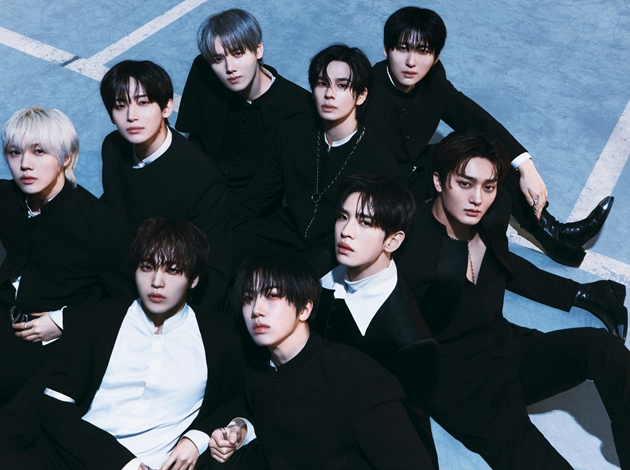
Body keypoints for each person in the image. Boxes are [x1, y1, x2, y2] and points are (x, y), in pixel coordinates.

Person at [0, 217, 246, 470]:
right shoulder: (96, 322)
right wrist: (123, 464)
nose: (157, 282)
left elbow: (244, 397)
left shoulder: (219, 337)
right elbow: (54, 408)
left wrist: (198, 438)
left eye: (173, 271)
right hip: (69, 459)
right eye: (147, 267)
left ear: (194, 279)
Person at [395, 130, 630, 469]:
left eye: (488, 186)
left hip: (509, 349)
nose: (477, 198)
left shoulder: (493, 214)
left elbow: (507, 266)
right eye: (464, 184)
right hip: (468, 394)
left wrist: (578, 293)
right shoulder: (411, 254)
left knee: (605, 349)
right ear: (438, 181)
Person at [0, 107, 135, 459]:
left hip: (35, 350)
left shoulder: (100, 227)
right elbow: (24, 237)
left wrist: (63, 320)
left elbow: (127, 303)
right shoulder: (3, 200)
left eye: (39, 151)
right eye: (14, 152)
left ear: (67, 157)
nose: (25, 164)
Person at [365, 6, 613, 267]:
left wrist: (525, 165)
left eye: (423, 51)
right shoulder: (366, 92)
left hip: (419, 171)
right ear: (386, 49)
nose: (411, 62)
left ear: (436, 57)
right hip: (381, 194)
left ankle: (555, 235)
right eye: (403, 48)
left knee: (482, 154)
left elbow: (473, 117)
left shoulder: (433, 77)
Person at [208, 254, 434, 470]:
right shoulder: (257, 373)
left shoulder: (360, 382)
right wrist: (241, 428)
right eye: (249, 298)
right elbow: (253, 409)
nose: (256, 310)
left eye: (272, 295)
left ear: (305, 309)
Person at [230, 44, 400, 276]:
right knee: (230, 249)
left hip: (331, 249)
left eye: (342, 86)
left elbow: (379, 230)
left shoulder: (378, 158)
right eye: (322, 84)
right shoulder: (293, 132)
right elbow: (255, 197)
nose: (329, 94)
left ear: (361, 95)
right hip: (284, 233)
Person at [317, 173, 440, 467]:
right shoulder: (321, 267)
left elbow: (409, 435)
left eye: (365, 222)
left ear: (393, 240)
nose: (346, 232)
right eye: (343, 217)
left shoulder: (410, 341)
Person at [99, 59, 231, 309]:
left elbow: (214, 268)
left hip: (168, 293)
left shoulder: (201, 177)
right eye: (120, 105)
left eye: (143, 102)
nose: (131, 116)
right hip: (119, 275)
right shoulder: (113, 147)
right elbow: (114, 221)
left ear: (167, 107)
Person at [175, 8, 312, 202]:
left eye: (238, 53)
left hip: (254, 207)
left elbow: (284, 184)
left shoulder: (299, 106)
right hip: (201, 188)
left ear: (258, 50)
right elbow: (195, 139)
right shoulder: (203, 72)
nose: (230, 68)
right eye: (218, 59)